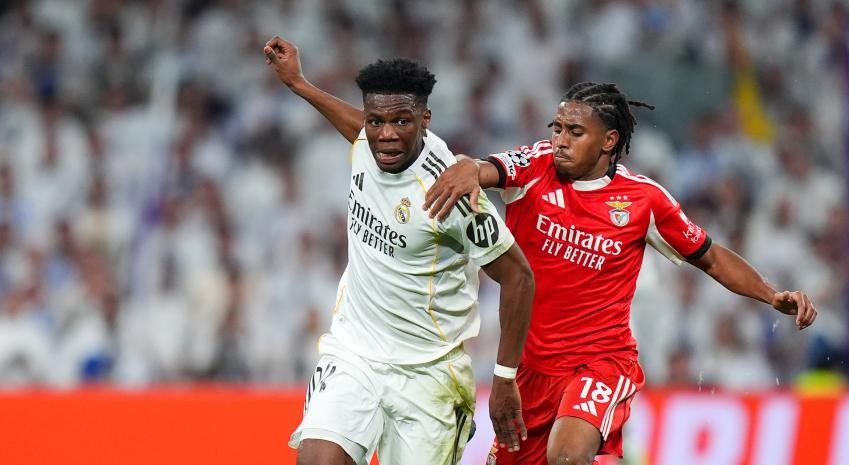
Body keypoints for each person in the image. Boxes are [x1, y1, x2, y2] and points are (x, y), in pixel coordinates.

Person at [422, 81, 817, 465]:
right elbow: (484, 168)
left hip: (601, 362)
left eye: (575, 132)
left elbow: (710, 257)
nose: (560, 141)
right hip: (530, 371)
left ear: (608, 141)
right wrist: (467, 168)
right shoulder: (535, 165)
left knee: (566, 456)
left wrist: (771, 295)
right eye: (557, 129)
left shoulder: (644, 201)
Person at [263, 37, 534, 465]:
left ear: (425, 119)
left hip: (428, 373)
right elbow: (358, 127)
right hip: (354, 352)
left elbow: (518, 276)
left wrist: (504, 378)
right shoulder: (367, 144)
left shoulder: (450, 190)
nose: (386, 135)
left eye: (401, 122)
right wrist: (299, 84)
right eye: (376, 121)